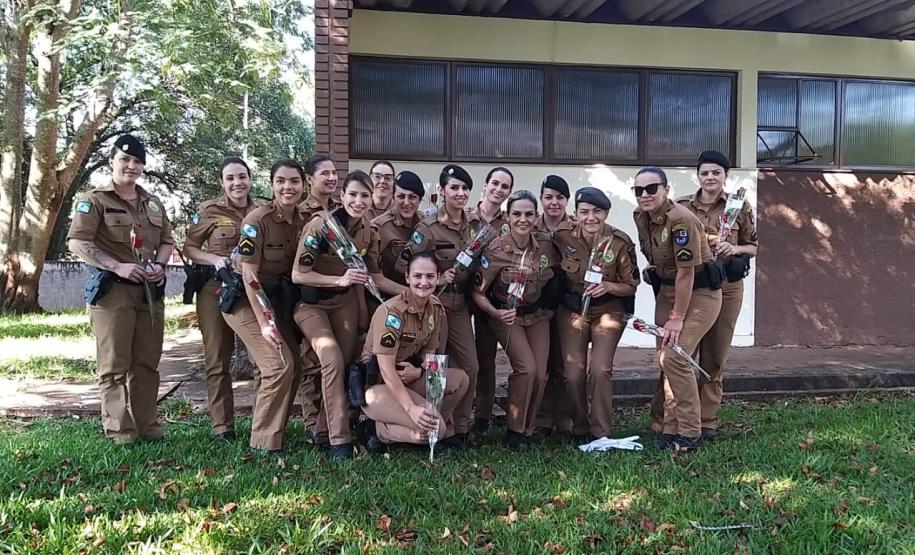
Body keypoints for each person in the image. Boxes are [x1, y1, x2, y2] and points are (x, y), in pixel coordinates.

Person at [291, 170, 406, 460]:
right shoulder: (321, 225)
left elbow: (374, 277)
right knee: (330, 358)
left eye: (364, 195)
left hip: (344, 305)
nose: (358, 201)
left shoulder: (369, 231)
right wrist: (339, 280)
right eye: (352, 194)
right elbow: (298, 274)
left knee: (343, 366)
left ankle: (322, 430)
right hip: (312, 305)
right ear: (341, 196)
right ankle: (339, 440)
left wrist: (411, 293)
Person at [68, 134, 175, 444]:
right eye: (125, 159)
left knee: (147, 363)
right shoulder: (96, 200)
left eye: (137, 161)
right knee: (114, 365)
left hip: (148, 293)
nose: (131, 166)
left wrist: (160, 265)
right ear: (111, 161)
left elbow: (167, 241)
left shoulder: (152, 202)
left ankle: (147, 426)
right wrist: (116, 266)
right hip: (113, 291)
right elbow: (78, 242)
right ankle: (120, 431)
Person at [668, 150, 758, 441]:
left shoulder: (738, 206)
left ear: (725, 176)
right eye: (705, 172)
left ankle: (707, 420)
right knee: (681, 353)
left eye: (716, 172)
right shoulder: (681, 206)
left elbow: (753, 246)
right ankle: (675, 419)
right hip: (693, 287)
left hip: (727, 286)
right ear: (697, 175)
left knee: (715, 356)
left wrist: (735, 249)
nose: (710, 177)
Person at [633, 167, 723, 452]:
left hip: (699, 293)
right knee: (665, 359)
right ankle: (670, 426)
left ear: (666, 189)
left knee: (676, 357)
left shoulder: (681, 220)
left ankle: (689, 430)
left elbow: (687, 273)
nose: (644, 195)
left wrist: (677, 317)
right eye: (638, 190)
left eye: (651, 188)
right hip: (668, 290)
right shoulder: (641, 216)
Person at [221, 158, 307, 453]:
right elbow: (250, 276)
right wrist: (264, 322)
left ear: (303, 185)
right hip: (244, 300)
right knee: (278, 364)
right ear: (271, 185)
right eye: (281, 181)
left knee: (294, 365)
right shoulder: (256, 221)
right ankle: (263, 443)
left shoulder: (304, 220)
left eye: (294, 181)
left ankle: (276, 430)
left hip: (276, 299)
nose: (287, 187)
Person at [473, 190, 560, 451]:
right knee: (526, 369)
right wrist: (495, 313)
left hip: (537, 315)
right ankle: (513, 430)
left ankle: (527, 428)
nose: (523, 220)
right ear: (508, 217)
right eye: (517, 214)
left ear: (536, 217)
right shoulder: (496, 249)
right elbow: (477, 293)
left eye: (529, 214)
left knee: (540, 375)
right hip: (505, 316)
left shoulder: (546, 244)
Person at [553, 187, 640, 443]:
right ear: (575, 214)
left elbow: (631, 285)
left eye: (597, 212)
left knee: (600, 369)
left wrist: (609, 286)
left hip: (608, 309)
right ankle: (580, 427)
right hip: (573, 309)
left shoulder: (620, 241)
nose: (591, 218)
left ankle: (600, 431)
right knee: (572, 373)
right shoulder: (562, 235)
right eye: (584, 212)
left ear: (606, 213)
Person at [359, 252, 469, 450]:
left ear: (438, 277)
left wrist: (419, 370)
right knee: (437, 430)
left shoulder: (435, 308)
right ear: (407, 277)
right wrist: (411, 408)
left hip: (410, 378)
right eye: (417, 276)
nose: (424, 282)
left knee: (460, 380)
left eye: (430, 276)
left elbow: (430, 353)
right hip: (379, 385)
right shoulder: (392, 313)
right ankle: (377, 430)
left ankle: (424, 428)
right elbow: (386, 369)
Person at [183, 157, 259, 441]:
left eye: (242, 176)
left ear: (250, 178)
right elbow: (190, 247)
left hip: (251, 289)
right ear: (222, 182)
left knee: (260, 359)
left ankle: (261, 423)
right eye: (230, 178)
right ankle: (222, 427)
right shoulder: (209, 210)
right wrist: (213, 258)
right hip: (215, 288)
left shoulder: (262, 210)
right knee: (217, 359)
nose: (237, 183)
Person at [410, 164, 482, 448]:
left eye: (465, 188)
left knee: (470, 366)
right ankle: (438, 429)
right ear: (442, 191)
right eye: (454, 188)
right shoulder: (427, 228)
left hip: (460, 305)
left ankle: (460, 427)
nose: (460, 193)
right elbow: (407, 266)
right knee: (435, 368)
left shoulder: (475, 225)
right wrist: (436, 278)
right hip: (434, 306)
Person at [296, 154, 340, 441]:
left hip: (338, 298)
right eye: (325, 173)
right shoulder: (300, 213)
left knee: (334, 360)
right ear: (310, 179)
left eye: (334, 173)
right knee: (311, 361)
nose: (332, 178)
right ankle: (312, 422)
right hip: (307, 294)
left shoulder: (340, 211)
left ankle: (327, 421)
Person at [469, 166, 513, 438]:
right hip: (460, 295)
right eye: (495, 183)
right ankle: (456, 413)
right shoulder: (465, 218)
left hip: (490, 297)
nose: (499, 189)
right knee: (462, 358)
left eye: (505, 186)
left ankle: (482, 416)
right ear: (485, 185)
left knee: (485, 359)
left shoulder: (510, 222)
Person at [532, 175, 573, 437]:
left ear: (567, 200)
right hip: (538, 303)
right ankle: (543, 419)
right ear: (541, 199)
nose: (554, 202)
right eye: (548, 197)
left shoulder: (577, 227)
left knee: (566, 362)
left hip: (569, 302)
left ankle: (566, 418)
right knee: (543, 362)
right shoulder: (531, 226)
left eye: (559, 197)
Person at [373, 170, 425, 289]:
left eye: (412, 197)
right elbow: (372, 274)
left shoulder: (425, 224)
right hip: (388, 295)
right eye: (401, 197)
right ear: (393, 197)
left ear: (420, 200)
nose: (406, 203)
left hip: (421, 292)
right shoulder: (380, 226)